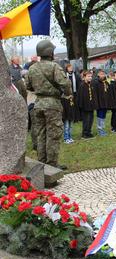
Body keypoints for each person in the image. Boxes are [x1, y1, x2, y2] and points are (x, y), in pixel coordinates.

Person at [26, 40, 72, 170]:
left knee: (41, 134)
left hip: (38, 104)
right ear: (50, 52)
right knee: (53, 134)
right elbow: (65, 84)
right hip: (52, 104)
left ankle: (41, 162)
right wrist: (67, 94)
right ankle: (51, 164)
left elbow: (28, 86)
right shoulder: (54, 66)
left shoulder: (32, 68)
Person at [78, 71, 97, 139]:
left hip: (91, 105)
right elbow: (80, 97)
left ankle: (89, 132)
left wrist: (95, 104)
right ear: (84, 77)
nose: (90, 78)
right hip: (85, 106)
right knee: (86, 119)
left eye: (91, 76)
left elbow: (94, 95)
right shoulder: (82, 85)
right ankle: (85, 133)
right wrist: (81, 106)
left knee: (91, 119)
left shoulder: (91, 85)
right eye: (88, 76)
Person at [93, 69, 111, 136]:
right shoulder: (96, 82)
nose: (102, 75)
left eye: (103, 74)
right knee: (99, 116)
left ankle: (103, 128)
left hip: (105, 102)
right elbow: (95, 94)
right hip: (99, 102)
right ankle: (99, 129)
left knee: (103, 116)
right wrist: (96, 103)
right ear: (98, 75)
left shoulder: (106, 82)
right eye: (101, 74)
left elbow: (108, 92)